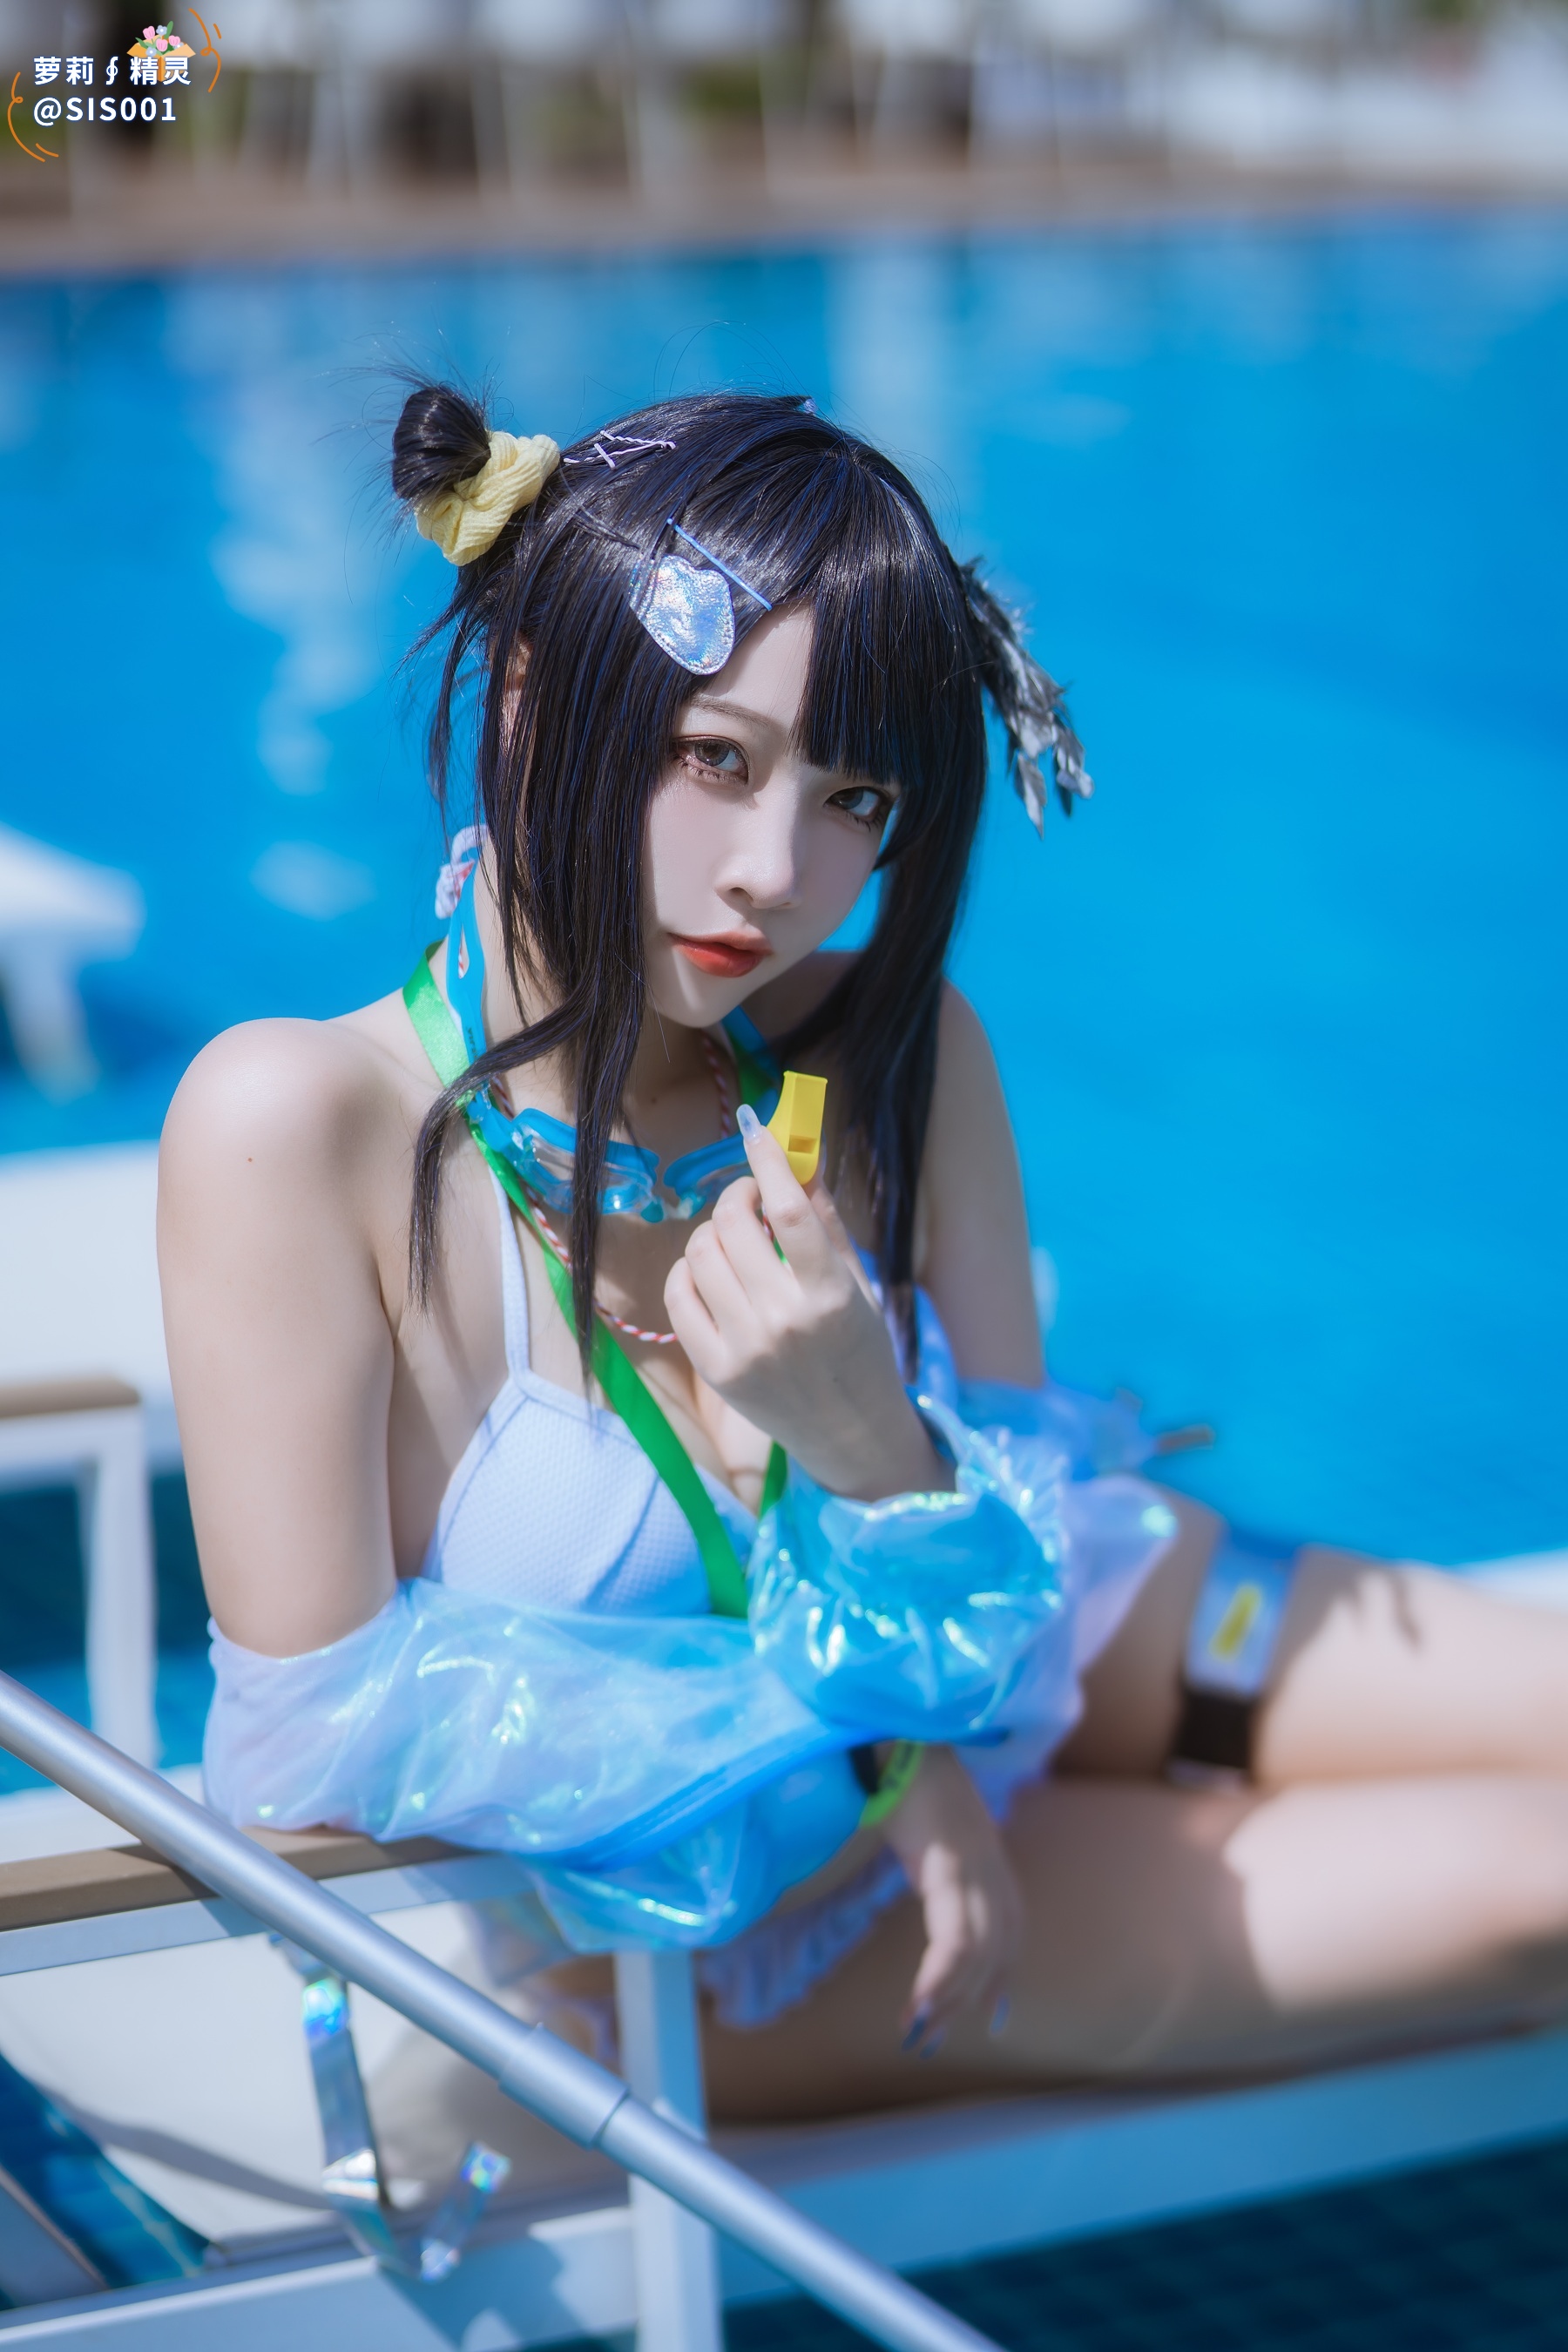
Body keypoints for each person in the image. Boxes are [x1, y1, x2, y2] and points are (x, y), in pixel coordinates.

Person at [159, 385, 1568, 2132]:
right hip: (723, 1921)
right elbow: (314, 1751)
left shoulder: (891, 1047)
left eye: (853, 794)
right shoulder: (300, 1127)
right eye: (717, 757)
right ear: (528, 698)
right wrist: (879, 1723)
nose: (774, 874)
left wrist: (869, 1455)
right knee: (1543, 1887)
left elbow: (1027, 1566)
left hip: (1039, 1654)